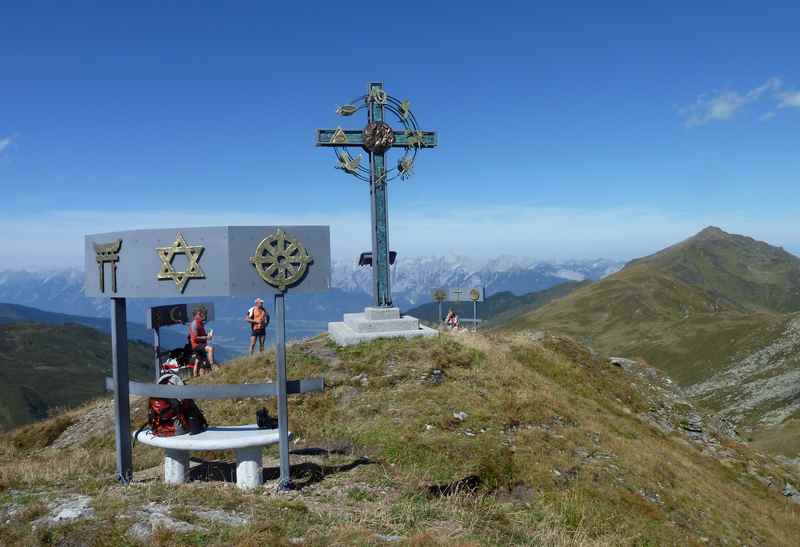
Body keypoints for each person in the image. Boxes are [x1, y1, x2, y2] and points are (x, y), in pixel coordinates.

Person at [188, 308, 214, 376]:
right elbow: (195, 338)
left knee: (199, 362)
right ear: (195, 316)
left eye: (201, 314)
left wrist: (207, 335)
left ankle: (196, 377)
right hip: (196, 345)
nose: (201, 315)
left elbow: (201, 335)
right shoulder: (194, 324)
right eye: (199, 314)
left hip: (199, 344)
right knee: (210, 349)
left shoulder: (200, 323)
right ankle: (212, 366)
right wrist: (206, 337)